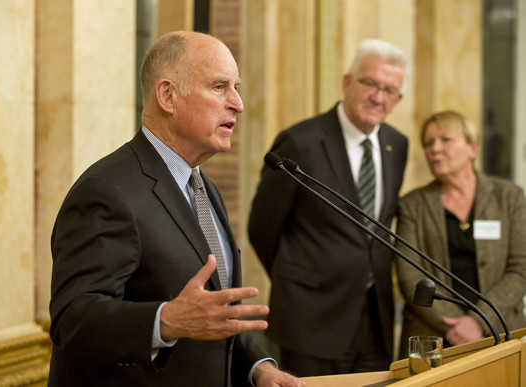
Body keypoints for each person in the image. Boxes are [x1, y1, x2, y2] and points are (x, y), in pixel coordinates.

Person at [48, 31, 304, 387]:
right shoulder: (107, 191)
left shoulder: (203, 187)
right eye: (219, 87)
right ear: (167, 95)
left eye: (236, 87)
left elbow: (209, 314)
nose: (238, 103)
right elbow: (72, 318)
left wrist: (257, 367)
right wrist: (165, 320)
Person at [248, 39, 410, 376]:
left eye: (389, 90)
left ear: (398, 100)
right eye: (370, 83)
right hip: (310, 322)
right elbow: (262, 228)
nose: (378, 97)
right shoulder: (300, 142)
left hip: (375, 320)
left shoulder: (398, 144)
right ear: (348, 82)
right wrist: (301, 281)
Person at [395, 110, 526, 358]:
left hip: (500, 333)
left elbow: (520, 268)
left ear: (472, 149)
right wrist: (455, 326)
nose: (434, 149)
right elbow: (409, 276)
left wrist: (478, 321)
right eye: (428, 143)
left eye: (445, 140)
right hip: (432, 338)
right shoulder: (413, 204)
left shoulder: (509, 197)